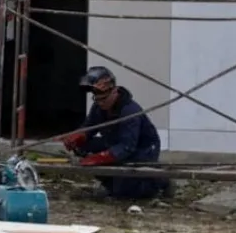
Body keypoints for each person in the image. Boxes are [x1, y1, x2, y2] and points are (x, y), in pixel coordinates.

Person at [63, 65, 170, 200]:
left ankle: (161, 181)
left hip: (141, 149)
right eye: (97, 98)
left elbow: (127, 146)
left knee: (126, 193)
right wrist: (78, 137)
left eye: (103, 98)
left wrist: (98, 158)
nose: (100, 102)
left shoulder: (130, 111)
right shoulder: (99, 107)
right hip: (114, 143)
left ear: (114, 92)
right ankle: (111, 183)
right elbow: (89, 127)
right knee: (84, 147)